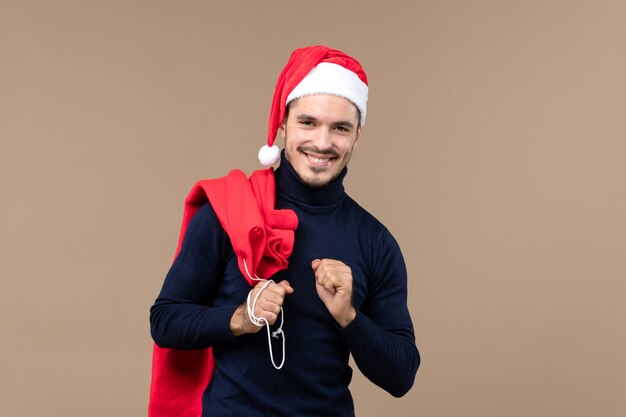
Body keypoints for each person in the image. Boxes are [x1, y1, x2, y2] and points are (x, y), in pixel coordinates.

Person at [149, 45, 420, 417]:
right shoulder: (228, 212)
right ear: (282, 124)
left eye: (340, 128)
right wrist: (240, 317)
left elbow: (401, 375)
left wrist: (349, 318)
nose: (323, 143)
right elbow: (165, 321)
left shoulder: (375, 241)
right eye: (308, 123)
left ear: (357, 136)